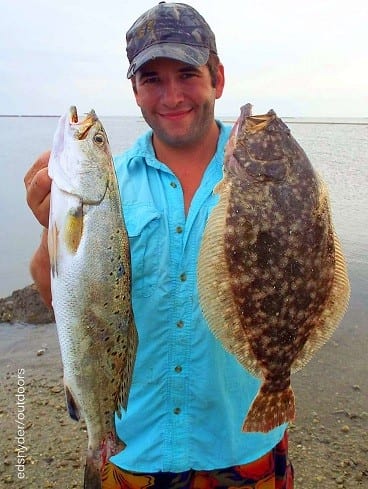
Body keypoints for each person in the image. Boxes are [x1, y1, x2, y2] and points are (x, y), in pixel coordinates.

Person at [24, 2, 294, 488]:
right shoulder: (110, 184)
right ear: (134, 90)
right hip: (137, 443)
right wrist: (51, 231)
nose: (171, 96)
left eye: (187, 74)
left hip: (244, 439)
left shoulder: (266, 167)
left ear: (218, 77)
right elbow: (54, 293)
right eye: (152, 79)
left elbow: (302, 271)